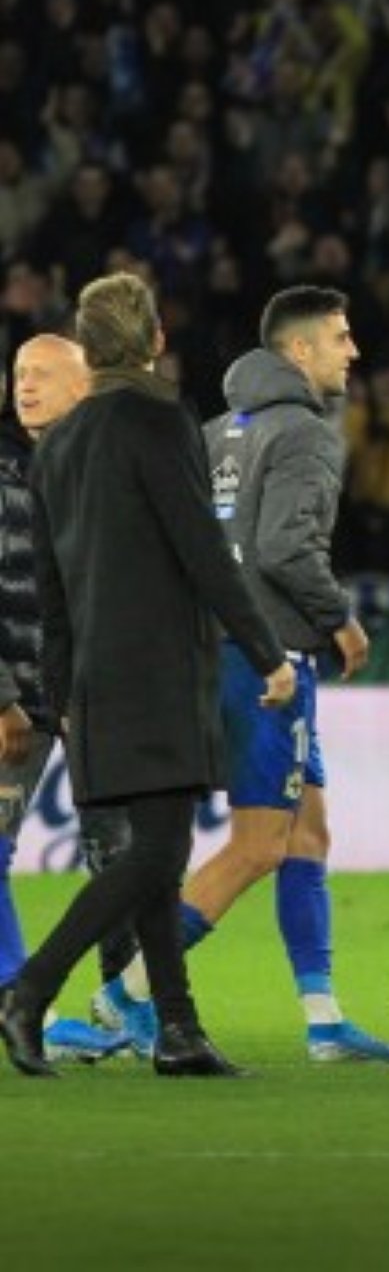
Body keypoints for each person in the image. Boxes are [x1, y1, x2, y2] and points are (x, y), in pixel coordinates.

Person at [0, 274, 296, 1080]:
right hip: (159, 669)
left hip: (92, 676)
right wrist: (266, 651)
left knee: (155, 858)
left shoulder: (55, 445)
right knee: (154, 857)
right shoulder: (162, 419)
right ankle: (28, 991)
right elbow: (203, 549)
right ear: (154, 340)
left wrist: (62, 693)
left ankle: (178, 1029)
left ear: (88, 350)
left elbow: (55, 588)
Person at [130, 287, 389, 1064]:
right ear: (299, 352)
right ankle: (124, 997)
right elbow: (287, 551)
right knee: (258, 844)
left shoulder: (217, 432)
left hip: (210, 648)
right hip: (269, 658)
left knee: (308, 831)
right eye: (342, 338)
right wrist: (341, 618)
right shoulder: (307, 434)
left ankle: (323, 1020)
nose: (353, 351)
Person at [0, 334, 127, 1062]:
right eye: (20, 374)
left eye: (43, 374)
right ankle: (28, 1004)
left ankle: (126, 1006)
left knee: (127, 856)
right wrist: (5, 700)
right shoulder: (14, 478)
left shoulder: (88, 475)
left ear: (86, 389)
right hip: (19, 704)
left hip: (72, 700)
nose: (26, 386)